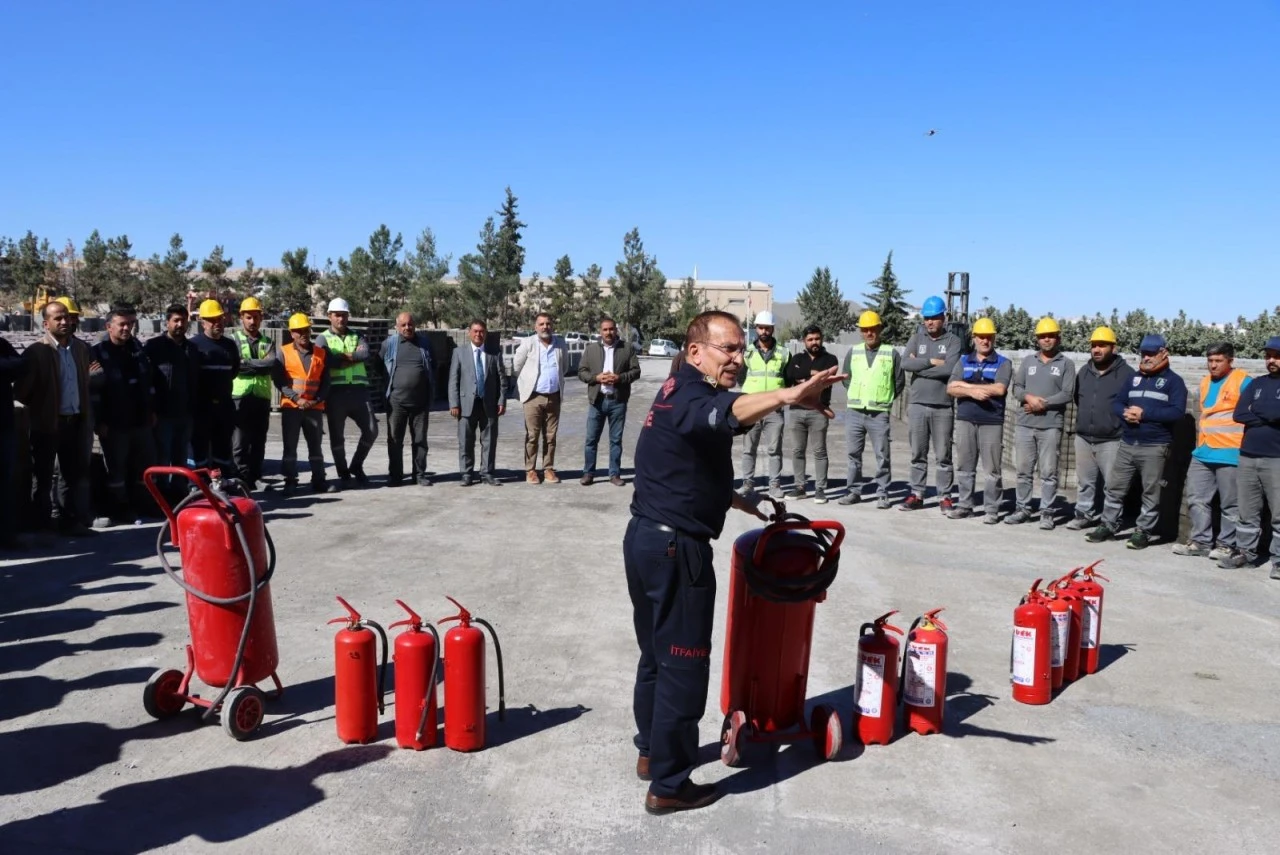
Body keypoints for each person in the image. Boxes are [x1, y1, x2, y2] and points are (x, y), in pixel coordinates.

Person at [626, 310, 843, 814]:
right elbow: (725, 414)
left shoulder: (675, 389)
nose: (738, 359)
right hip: (676, 550)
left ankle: (652, 752)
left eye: (742, 349)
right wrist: (789, 395)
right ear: (696, 351)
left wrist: (741, 501)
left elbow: (688, 462)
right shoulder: (691, 397)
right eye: (729, 349)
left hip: (646, 539)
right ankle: (669, 784)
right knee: (683, 665)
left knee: (656, 656)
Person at [1087, 333, 1188, 549]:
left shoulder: (1174, 382)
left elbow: (1177, 412)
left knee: (1150, 491)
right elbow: (1117, 402)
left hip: (1155, 445)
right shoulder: (1133, 378)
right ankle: (1108, 524)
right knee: (1115, 487)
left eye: (1151, 353)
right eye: (1144, 353)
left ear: (1164, 353)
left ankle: (1143, 530)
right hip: (1127, 442)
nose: (1147, 357)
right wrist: (1124, 412)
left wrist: (1144, 414)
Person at [15, 300, 97, 536]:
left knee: (70, 474)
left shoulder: (80, 349)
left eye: (67, 317)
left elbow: (84, 382)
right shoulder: (37, 352)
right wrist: (42, 408)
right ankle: (41, 525)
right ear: (46, 323)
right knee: (42, 476)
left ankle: (68, 521)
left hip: (74, 422)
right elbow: (22, 391)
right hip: (47, 424)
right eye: (57, 318)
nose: (64, 322)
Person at [1171, 342, 1251, 559]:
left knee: (1230, 504)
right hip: (1204, 451)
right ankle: (1200, 542)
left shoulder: (1244, 382)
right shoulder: (1205, 382)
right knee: (1197, 498)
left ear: (1230, 361)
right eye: (1210, 360)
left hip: (1231, 452)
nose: (1213, 365)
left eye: (1218, 361)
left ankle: (1227, 545)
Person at [1007, 317, 1077, 529]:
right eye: (1042, 336)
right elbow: (1017, 387)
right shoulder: (1028, 362)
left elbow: (1067, 393)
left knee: (1048, 472)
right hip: (1025, 424)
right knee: (1023, 470)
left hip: (1050, 426)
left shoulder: (1066, 364)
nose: (1047, 340)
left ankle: (1047, 512)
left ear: (1058, 338)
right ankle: (1023, 509)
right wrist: (1028, 398)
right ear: (1037, 339)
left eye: (1051, 336)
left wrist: (1041, 404)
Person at [1220, 336, 1280, 576]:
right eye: (1268, 356)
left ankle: (1278, 560)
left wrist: (1263, 413)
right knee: (1247, 510)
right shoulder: (1257, 384)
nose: (1271, 360)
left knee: (1278, 513)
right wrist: (1268, 415)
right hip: (1248, 456)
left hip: (1276, 459)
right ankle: (1245, 552)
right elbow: (1239, 414)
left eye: (1276, 356)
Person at [91, 308, 156, 524]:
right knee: (116, 470)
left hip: (140, 421)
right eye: (122, 324)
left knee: (143, 468)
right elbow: (95, 392)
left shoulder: (138, 350)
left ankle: (143, 504)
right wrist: (99, 421)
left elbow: (148, 383)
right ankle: (119, 508)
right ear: (108, 326)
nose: (127, 328)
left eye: (131, 323)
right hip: (114, 423)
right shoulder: (98, 354)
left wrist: (151, 411)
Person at [1066, 326, 1134, 530]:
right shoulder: (1084, 372)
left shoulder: (1127, 374)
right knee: (1085, 481)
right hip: (1084, 437)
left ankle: (1111, 520)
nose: (1096, 349)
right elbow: (1079, 399)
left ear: (1113, 347)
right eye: (1094, 345)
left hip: (1112, 439)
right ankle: (1084, 514)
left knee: (1112, 484)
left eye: (1102, 345)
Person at [945, 317, 1012, 521]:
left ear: (993, 339)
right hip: (966, 419)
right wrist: (973, 392)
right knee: (965, 465)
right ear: (974, 338)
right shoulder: (964, 360)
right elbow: (950, 388)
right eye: (981, 337)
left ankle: (992, 509)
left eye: (989, 337)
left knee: (992, 469)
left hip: (991, 421)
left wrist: (965, 386)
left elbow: (999, 388)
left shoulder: (1003, 363)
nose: (985, 341)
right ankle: (965, 505)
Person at [900, 295, 963, 511]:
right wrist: (929, 362)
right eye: (927, 318)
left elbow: (950, 369)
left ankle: (944, 496)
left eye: (934, 318)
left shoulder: (953, 341)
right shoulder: (917, 338)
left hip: (942, 407)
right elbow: (905, 363)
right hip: (917, 405)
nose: (930, 322)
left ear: (943, 317)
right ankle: (916, 493)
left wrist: (922, 368)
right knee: (918, 453)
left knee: (943, 455)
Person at [839, 310, 905, 508]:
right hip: (855, 412)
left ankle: (883, 493)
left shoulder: (891, 353)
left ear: (879, 329)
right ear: (860, 331)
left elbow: (899, 382)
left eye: (873, 329)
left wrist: (884, 399)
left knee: (882, 455)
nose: (869, 333)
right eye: (865, 330)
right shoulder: (854, 352)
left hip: (879, 414)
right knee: (853, 454)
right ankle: (853, 491)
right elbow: (846, 378)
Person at [316, 298, 378, 488]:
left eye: (344, 315)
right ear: (329, 317)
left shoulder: (357, 335)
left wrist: (344, 357)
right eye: (337, 315)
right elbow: (328, 360)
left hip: (359, 392)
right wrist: (352, 357)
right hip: (336, 393)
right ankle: (343, 472)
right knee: (337, 437)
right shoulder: (322, 338)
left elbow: (365, 354)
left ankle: (356, 466)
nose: (341, 319)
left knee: (372, 430)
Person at [273, 313, 333, 495]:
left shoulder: (321, 353)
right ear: (292, 333)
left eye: (306, 330)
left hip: (313, 408)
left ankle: (319, 480)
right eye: (298, 331)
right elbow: (278, 379)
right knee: (290, 447)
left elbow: (326, 382)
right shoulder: (283, 352)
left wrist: (315, 400)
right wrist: (296, 398)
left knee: (315, 447)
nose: (303, 334)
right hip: (292, 408)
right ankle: (290, 481)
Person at [578, 317, 641, 486]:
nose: (608, 332)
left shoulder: (626, 349)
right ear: (600, 331)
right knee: (591, 440)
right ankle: (588, 473)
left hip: (617, 402)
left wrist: (619, 378)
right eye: (605, 329)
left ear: (616, 330)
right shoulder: (591, 349)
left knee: (616, 440)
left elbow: (636, 371)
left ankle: (614, 474)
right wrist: (596, 378)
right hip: (596, 402)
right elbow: (581, 372)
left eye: (611, 329)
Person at [144, 305, 199, 499]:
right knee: (162, 457)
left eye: (183, 320)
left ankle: (179, 494)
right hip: (162, 414)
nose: (179, 324)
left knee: (181, 457)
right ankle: (160, 496)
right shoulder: (153, 347)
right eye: (175, 320)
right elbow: (146, 380)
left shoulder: (192, 349)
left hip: (185, 413)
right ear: (167, 322)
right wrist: (151, 409)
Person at [784, 324, 839, 503]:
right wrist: (813, 374)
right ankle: (800, 487)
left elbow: (829, 376)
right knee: (797, 450)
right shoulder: (797, 358)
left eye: (817, 338)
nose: (814, 342)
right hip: (796, 411)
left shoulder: (830, 359)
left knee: (819, 451)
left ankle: (820, 489)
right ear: (804, 341)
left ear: (821, 339)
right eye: (810, 339)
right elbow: (791, 374)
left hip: (818, 411)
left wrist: (805, 377)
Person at [448, 319, 506, 486]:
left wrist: (502, 400)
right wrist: (454, 403)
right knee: (465, 441)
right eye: (475, 331)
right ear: (469, 333)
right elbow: (453, 380)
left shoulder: (494, 353)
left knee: (489, 441)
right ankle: (466, 473)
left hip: (489, 404)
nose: (478, 334)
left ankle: (487, 472)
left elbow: (502, 380)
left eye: (481, 331)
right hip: (466, 404)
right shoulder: (459, 353)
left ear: (485, 333)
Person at [513, 312, 568, 484]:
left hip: (554, 397)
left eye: (548, 324)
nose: (545, 327)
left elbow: (564, 367)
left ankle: (548, 468)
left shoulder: (560, 344)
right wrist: (525, 387)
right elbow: (516, 366)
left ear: (552, 326)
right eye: (542, 324)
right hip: (533, 398)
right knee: (532, 435)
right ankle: (530, 470)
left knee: (551, 436)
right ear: (535, 327)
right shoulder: (528, 343)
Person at [738, 310, 788, 499]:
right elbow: (741, 377)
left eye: (767, 328)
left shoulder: (784, 353)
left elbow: (788, 379)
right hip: (752, 409)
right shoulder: (747, 352)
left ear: (772, 329)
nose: (764, 331)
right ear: (756, 329)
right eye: (760, 328)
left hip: (774, 410)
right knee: (748, 449)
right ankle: (748, 484)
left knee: (775, 449)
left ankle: (774, 485)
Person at [189, 299, 241, 476]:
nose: (217, 323)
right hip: (202, 408)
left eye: (220, 319)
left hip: (224, 407)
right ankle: (199, 486)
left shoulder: (229, 345)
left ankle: (223, 483)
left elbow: (233, 371)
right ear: (202, 322)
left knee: (223, 450)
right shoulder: (194, 346)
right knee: (200, 450)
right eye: (212, 320)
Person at [382, 312, 435, 486]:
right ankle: (395, 476)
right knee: (395, 440)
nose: (407, 328)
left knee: (420, 440)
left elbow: (432, 367)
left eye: (410, 324)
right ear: (397, 327)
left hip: (420, 403)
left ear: (415, 325)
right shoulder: (389, 344)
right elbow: (378, 366)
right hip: (396, 402)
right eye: (403, 325)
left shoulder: (425, 344)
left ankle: (419, 475)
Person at [231, 297, 276, 489]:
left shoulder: (268, 341)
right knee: (239, 442)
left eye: (256, 317)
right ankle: (241, 478)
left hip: (261, 397)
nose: (252, 321)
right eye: (249, 317)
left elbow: (271, 363)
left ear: (261, 318)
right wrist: (258, 365)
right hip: (239, 397)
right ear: (241, 317)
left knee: (259, 440)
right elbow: (236, 365)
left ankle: (256, 476)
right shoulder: (233, 340)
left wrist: (246, 364)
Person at [0, 335, 26, 549]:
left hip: (3, 426)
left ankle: (7, 535)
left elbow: (19, 365)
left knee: (5, 483)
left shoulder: (1, 344)